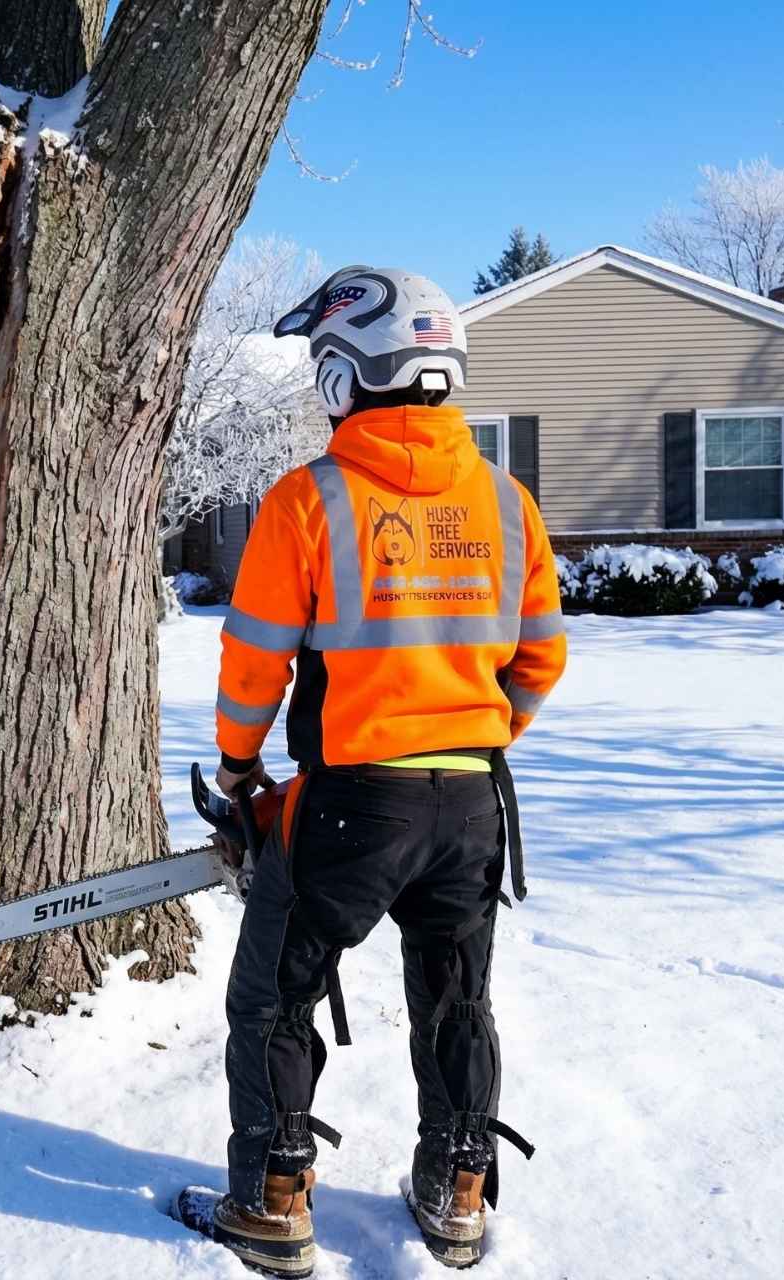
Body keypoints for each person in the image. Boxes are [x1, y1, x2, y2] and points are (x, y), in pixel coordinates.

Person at [198, 266, 567, 1274]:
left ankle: (272, 1198)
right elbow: (541, 655)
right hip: (474, 804)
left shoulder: (308, 498)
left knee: (275, 996)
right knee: (457, 995)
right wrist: (474, 736)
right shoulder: (506, 500)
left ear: (343, 377)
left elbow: (255, 659)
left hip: (355, 804)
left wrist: (241, 767)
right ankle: (458, 1190)